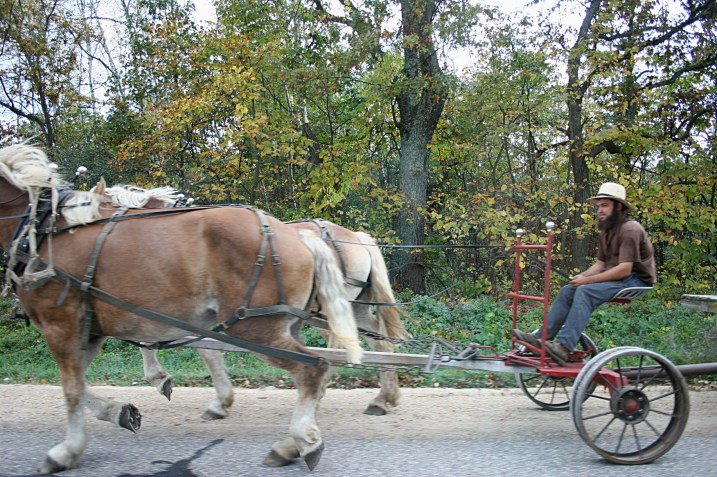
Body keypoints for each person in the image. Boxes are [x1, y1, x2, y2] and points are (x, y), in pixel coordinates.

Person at [513, 182, 656, 365]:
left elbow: (624, 270)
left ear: (619, 207)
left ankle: (563, 348)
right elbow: (600, 264)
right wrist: (580, 278)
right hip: (620, 276)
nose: (600, 210)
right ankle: (542, 340)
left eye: (605, 205)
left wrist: (587, 282)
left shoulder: (630, 229)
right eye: (598, 206)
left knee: (585, 291)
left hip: (635, 280)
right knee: (568, 290)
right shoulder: (606, 229)